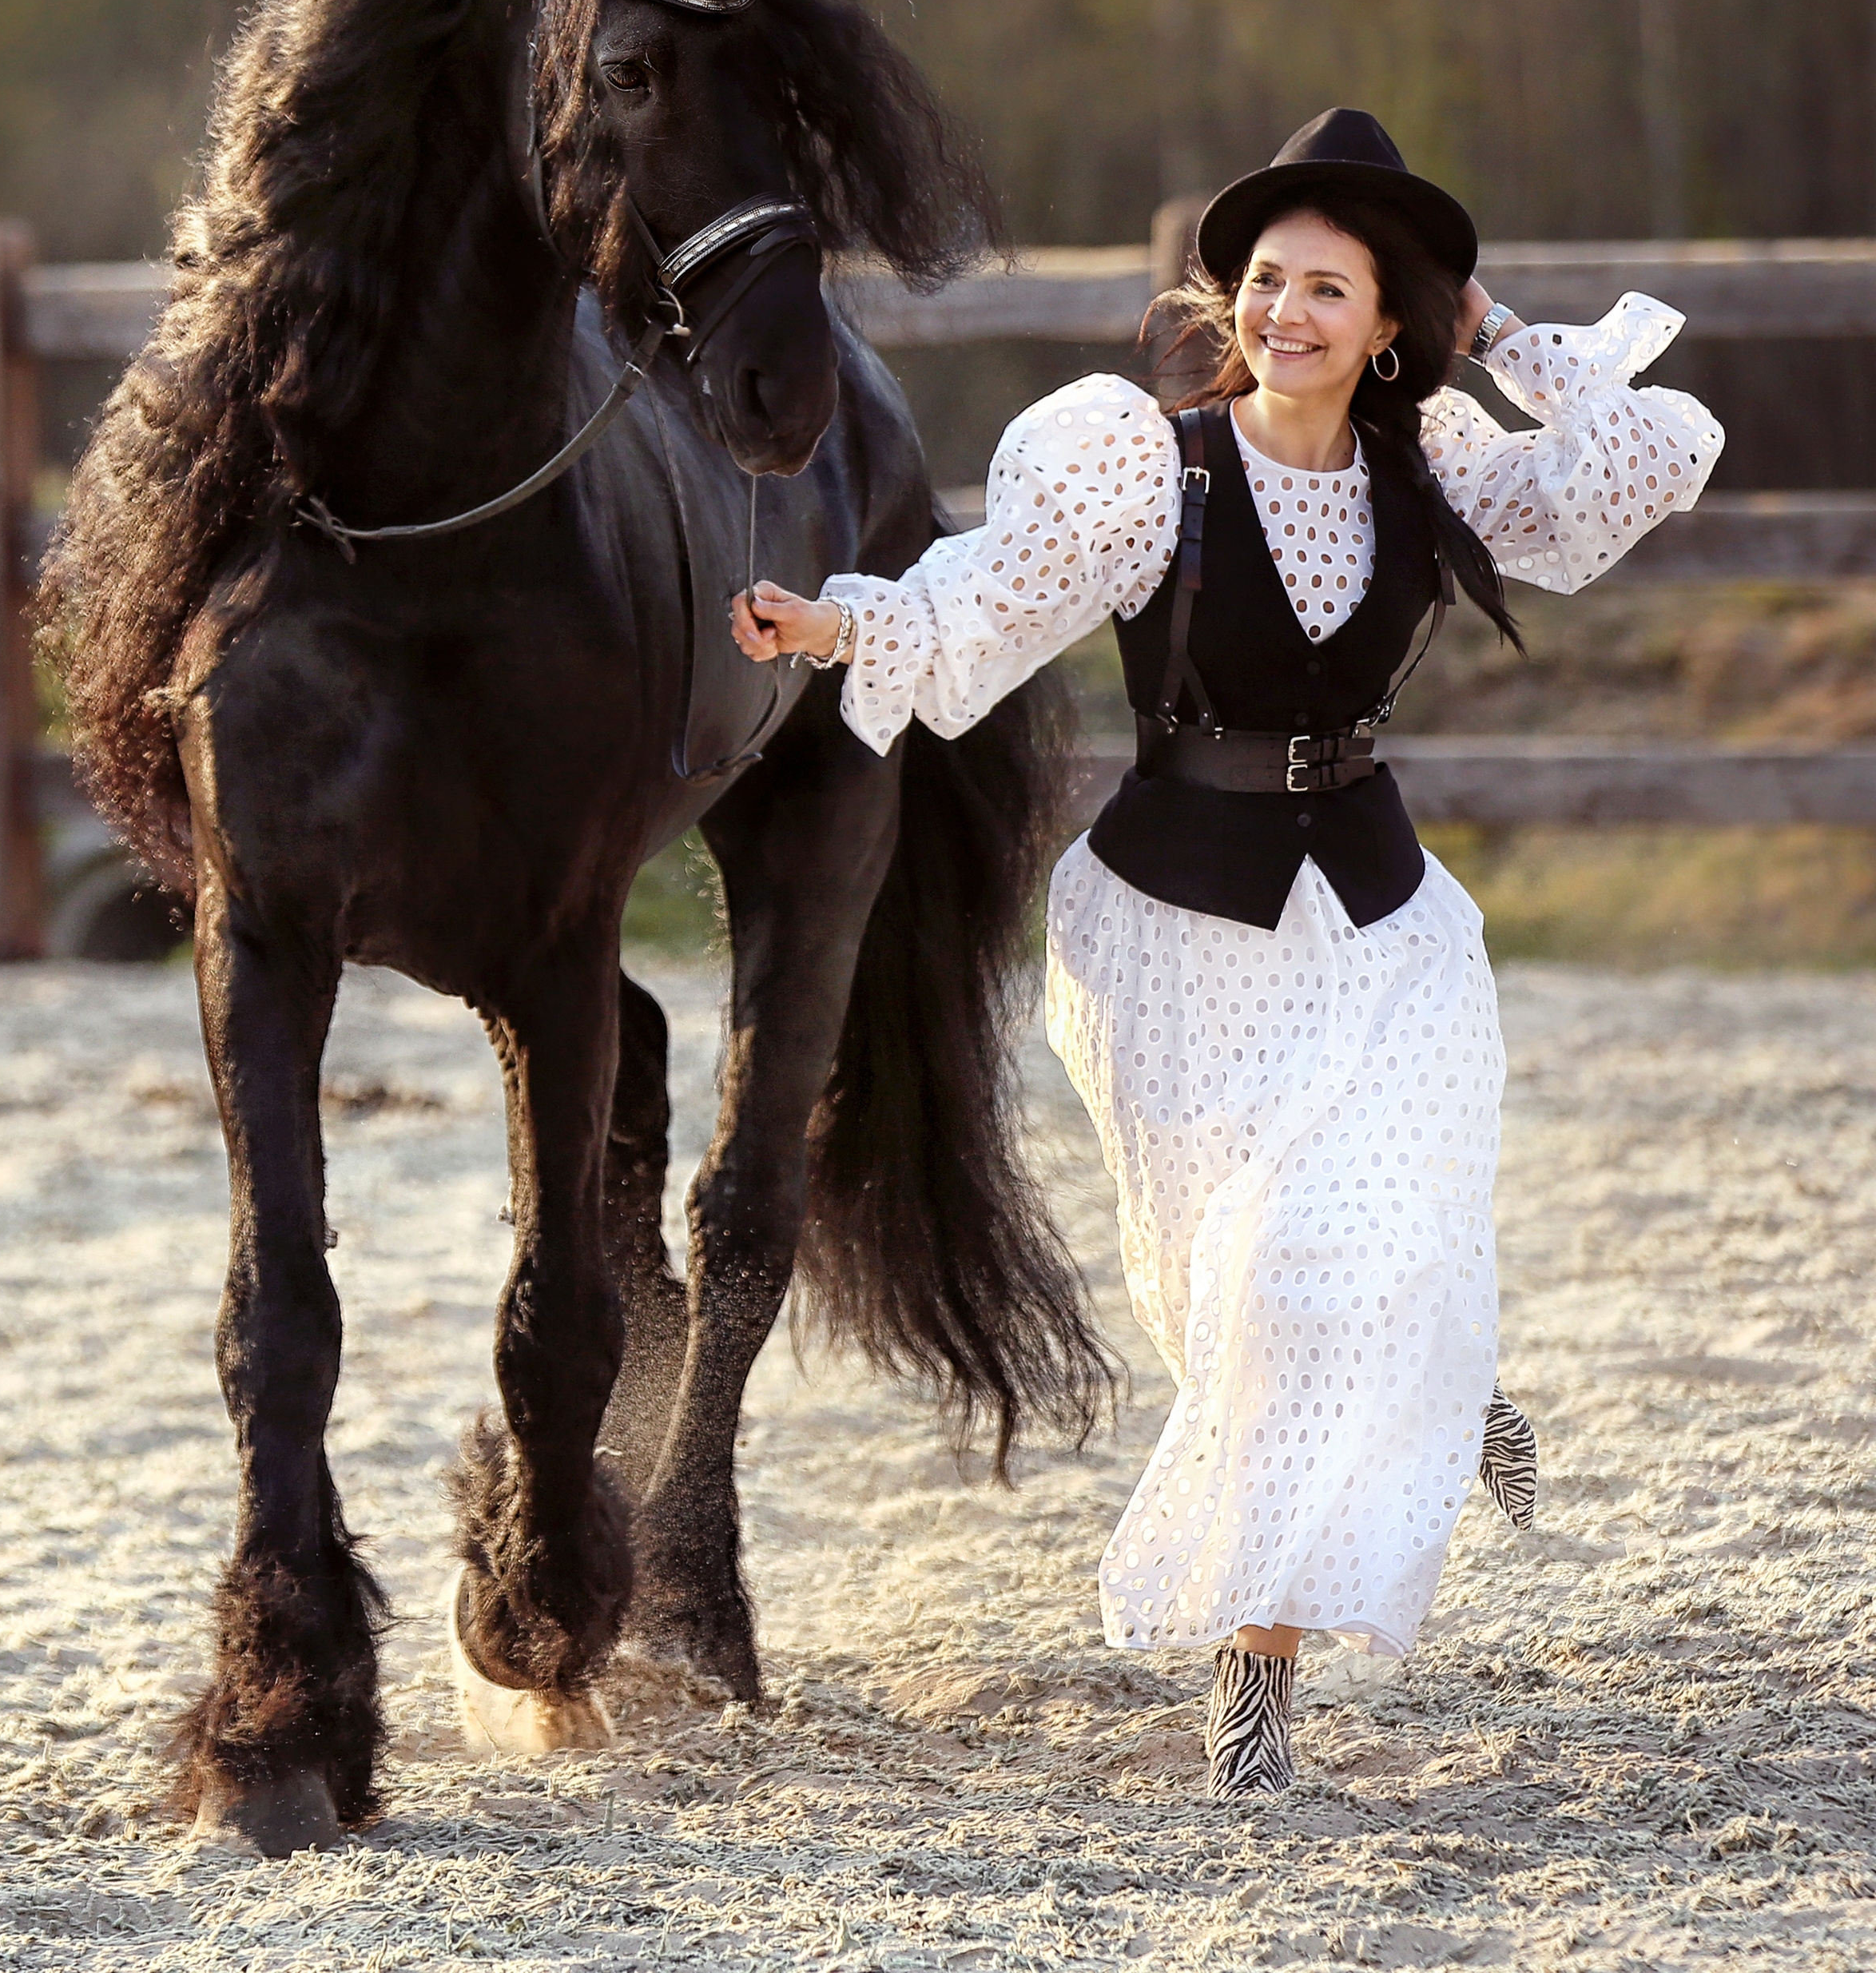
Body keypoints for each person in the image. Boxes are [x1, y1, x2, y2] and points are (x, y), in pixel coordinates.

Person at [732, 109, 1723, 1797]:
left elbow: (1657, 445)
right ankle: (1440, 1377)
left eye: (1329, 291)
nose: (1283, 314)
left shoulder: (1441, 471)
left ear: (1388, 322)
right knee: (1247, 1302)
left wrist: (1492, 340)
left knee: (1328, 1259)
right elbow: (989, 599)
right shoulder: (1145, 467)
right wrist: (841, 624)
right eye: (1264, 281)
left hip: (1379, 919)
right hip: (1172, 935)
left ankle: (1253, 1676)